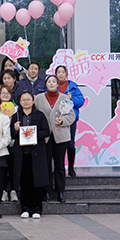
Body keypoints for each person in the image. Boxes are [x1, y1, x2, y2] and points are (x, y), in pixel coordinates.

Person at [35, 75, 76, 203]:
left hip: (61, 135)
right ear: (45, 84)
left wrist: (62, 121)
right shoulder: (38, 98)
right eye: (49, 81)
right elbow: (35, 115)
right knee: (46, 164)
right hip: (45, 136)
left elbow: (72, 116)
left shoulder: (64, 98)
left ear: (58, 84)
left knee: (59, 164)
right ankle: (47, 191)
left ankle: (60, 191)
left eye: (54, 81)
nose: (51, 83)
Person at [11, 91, 50, 219]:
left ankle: (37, 209)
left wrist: (33, 135)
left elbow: (47, 131)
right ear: (19, 102)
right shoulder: (16, 116)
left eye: (28, 99)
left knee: (37, 182)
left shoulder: (40, 115)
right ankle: (25, 208)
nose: (26, 102)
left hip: (37, 153)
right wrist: (16, 129)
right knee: (24, 182)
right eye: (23, 100)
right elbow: (12, 135)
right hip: (22, 154)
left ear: (33, 101)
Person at [55, 65, 85, 177]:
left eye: (63, 72)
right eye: (58, 72)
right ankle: (59, 168)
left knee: (70, 143)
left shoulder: (73, 87)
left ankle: (71, 168)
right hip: (57, 119)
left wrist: (72, 98)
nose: (61, 74)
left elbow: (81, 102)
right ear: (56, 74)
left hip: (70, 119)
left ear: (66, 74)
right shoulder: (52, 85)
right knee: (58, 143)